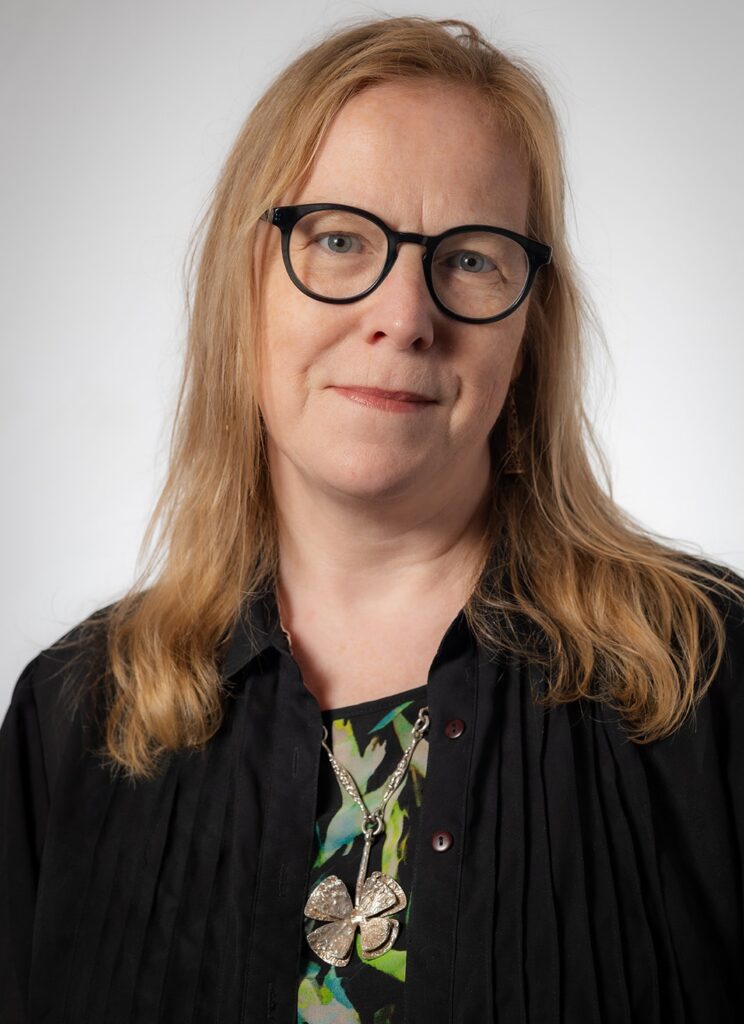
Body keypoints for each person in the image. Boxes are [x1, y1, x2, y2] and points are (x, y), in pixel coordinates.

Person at [1, 14, 743, 1024]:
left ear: (530, 328)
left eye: (471, 258)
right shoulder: (70, 715)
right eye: (341, 240)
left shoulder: (711, 674)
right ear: (243, 285)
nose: (404, 316)